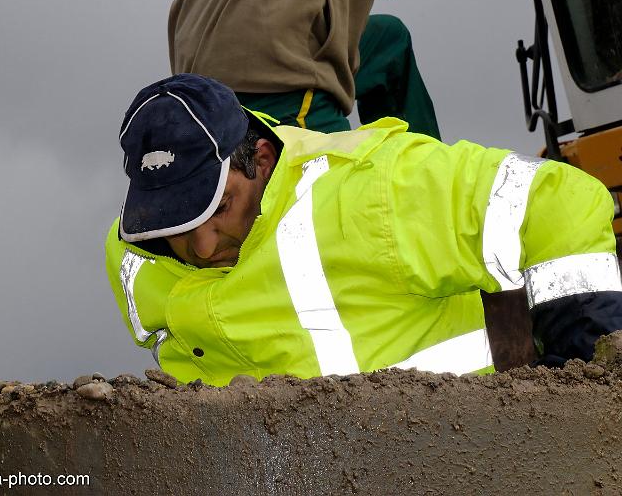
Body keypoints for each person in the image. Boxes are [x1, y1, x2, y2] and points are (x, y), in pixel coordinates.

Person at [105, 74, 622, 386]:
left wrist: (584, 370)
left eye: (218, 209)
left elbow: (557, 199)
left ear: (259, 158)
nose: (202, 246)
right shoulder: (131, 253)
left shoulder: (372, 190)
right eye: (178, 223)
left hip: (451, 459)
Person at [168, 0, 440, 138]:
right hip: (272, 86)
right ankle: (421, 193)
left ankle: (408, 159)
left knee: (387, 40)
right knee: (326, 196)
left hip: (195, 81)